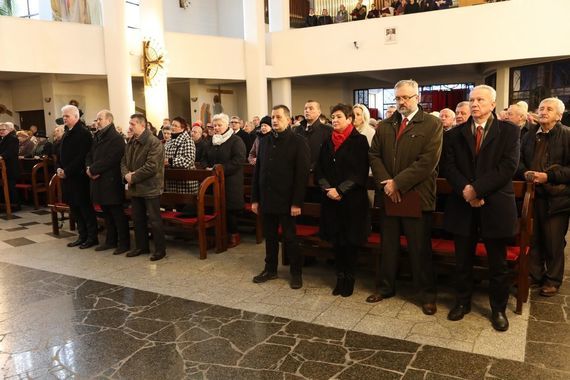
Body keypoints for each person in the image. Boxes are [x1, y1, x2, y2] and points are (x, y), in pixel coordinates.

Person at [443, 85, 520, 332]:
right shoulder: (455, 134)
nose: (474, 104)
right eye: (472, 99)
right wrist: (466, 190)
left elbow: (508, 167)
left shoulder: (508, 131)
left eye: (480, 100)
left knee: (497, 263)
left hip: (494, 204)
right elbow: (449, 166)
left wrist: (477, 190)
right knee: (462, 260)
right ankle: (462, 303)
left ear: (492, 104)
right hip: (463, 204)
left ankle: (498, 309)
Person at [367, 79, 442, 316]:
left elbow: (428, 161)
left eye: (406, 97)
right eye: (398, 98)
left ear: (417, 97)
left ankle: (427, 295)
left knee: (419, 249)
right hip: (389, 195)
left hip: (416, 194)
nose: (401, 102)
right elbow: (374, 155)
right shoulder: (386, 125)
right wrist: (387, 184)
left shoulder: (431, 124)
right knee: (388, 245)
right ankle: (386, 287)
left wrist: (398, 182)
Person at [251, 105, 310, 289]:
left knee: (290, 238)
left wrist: (297, 202)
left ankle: (296, 272)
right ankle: (270, 269)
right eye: (272, 117)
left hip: (287, 200)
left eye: (278, 117)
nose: (274, 120)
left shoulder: (298, 141)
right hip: (267, 198)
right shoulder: (265, 140)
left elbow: (301, 175)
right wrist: (255, 199)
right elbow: (258, 171)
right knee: (269, 236)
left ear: (288, 120)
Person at [517, 97, 570, 298]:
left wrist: (549, 176)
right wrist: (525, 173)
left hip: (557, 197)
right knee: (534, 237)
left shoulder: (567, 135)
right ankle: (535, 275)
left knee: (553, 241)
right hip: (533, 195)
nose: (543, 111)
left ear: (559, 115)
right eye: (541, 108)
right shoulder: (530, 135)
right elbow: (518, 160)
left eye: (549, 109)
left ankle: (553, 279)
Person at [315, 104, 369, 297]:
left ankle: (350, 278)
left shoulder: (359, 140)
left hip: (351, 201)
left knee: (350, 241)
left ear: (349, 119)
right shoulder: (327, 141)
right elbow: (319, 169)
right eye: (332, 117)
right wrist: (326, 188)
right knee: (337, 241)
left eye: (338, 116)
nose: (334, 120)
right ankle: (339, 277)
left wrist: (340, 190)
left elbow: (359, 172)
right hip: (331, 199)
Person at [121, 113, 166, 261]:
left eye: (132, 124)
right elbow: (124, 161)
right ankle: (141, 246)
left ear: (142, 125)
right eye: (130, 124)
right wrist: (126, 174)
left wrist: (132, 177)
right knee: (138, 218)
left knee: (154, 220)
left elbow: (152, 167)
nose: (130, 127)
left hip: (150, 187)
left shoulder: (154, 142)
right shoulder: (131, 141)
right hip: (136, 187)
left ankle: (160, 250)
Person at [86, 110, 130, 255]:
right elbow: (89, 154)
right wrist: (89, 167)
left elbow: (112, 159)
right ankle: (110, 241)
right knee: (106, 213)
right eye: (97, 119)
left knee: (117, 213)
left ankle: (124, 243)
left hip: (110, 180)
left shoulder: (116, 138)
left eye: (100, 119)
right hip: (98, 179)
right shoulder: (97, 136)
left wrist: (93, 169)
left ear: (109, 121)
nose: (97, 121)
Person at [202, 113, 246, 248]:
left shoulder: (236, 141)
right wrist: (206, 167)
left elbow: (238, 160)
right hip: (213, 180)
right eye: (214, 125)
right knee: (213, 206)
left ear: (227, 125)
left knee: (229, 209)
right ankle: (215, 234)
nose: (216, 128)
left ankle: (234, 234)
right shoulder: (211, 141)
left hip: (231, 180)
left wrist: (221, 170)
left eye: (219, 125)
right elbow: (203, 158)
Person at [58, 105, 98, 249]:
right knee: (74, 208)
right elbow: (61, 152)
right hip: (68, 176)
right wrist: (59, 167)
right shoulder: (67, 132)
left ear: (76, 116)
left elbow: (82, 157)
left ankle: (92, 237)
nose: (64, 119)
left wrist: (67, 170)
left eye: (67, 116)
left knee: (84, 208)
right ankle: (82, 236)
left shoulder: (83, 133)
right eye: (63, 116)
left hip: (79, 178)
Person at [294, 100, 332, 169]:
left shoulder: (327, 130)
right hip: (300, 170)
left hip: (319, 172)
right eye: (305, 108)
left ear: (319, 112)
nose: (307, 111)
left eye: (311, 108)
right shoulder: (297, 129)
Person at [164, 116, 198, 194]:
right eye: (172, 125)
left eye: (175, 126)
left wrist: (169, 161)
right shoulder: (169, 141)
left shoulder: (188, 141)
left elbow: (189, 160)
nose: (172, 127)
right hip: (171, 181)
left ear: (182, 129)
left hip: (185, 182)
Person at [0, 122, 20, 210]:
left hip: (10, 166)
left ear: (9, 130)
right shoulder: (2, 139)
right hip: (3, 167)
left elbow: (10, 151)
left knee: (11, 186)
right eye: (0, 130)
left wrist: (1, 156)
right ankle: (4, 204)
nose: (1, 131)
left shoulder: (13, 139)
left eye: (3, 129)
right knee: (3, 186)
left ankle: (15, 205)